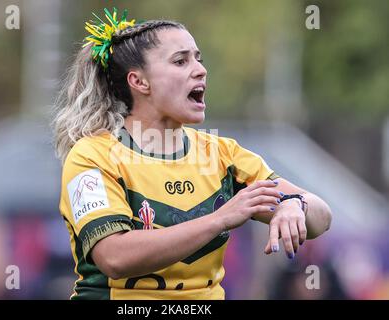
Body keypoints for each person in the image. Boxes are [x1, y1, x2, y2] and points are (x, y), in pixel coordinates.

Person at [52, 8, 332, 300]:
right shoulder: (93, 155)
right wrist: (220, 219)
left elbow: (322, 217)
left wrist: (294, 205)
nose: (200, 69)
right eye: (180, 61)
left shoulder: (222, 154)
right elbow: (115, 258)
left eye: (198, 58)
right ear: (139, 81)